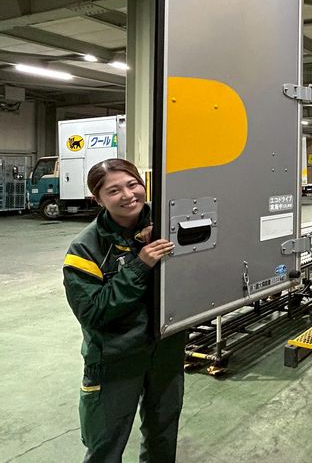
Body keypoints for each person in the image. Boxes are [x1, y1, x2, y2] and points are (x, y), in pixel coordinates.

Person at [62, 158, 185, 462]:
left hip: (166, 348)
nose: (128, 195)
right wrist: (140, 265)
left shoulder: (169, 222)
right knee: (106, 444)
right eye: (114, 190)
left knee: (163, 432)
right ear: (98, 199)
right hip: (116, 357)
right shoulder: (85, 249)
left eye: (133, 184)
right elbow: (93, 311)